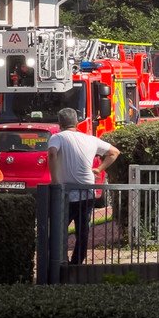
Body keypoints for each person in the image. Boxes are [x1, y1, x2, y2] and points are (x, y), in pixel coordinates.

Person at [47, 107, 120, 265]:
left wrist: (54, 180)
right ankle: (77, 263)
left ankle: (60, 261)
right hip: (86, 192)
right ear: (76, 122)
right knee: (83, 231)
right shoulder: (90, 139)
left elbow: (52, 154)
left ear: (60, 123)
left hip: (64, 192)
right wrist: (99, 169)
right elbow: (114, 152)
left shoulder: (57, 138)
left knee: (57, 229)